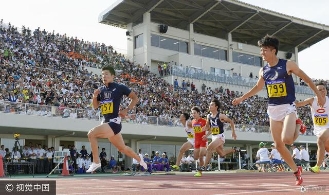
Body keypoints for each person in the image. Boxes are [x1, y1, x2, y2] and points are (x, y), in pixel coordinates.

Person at [232, 34, 325, 185]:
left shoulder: (288, 65)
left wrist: (318, 95)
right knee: (279, 146)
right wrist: (242, 98)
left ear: (273, 50)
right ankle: (296, 171)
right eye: (261, 50)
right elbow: (258, 87)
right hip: (273, 109)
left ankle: (297, 123)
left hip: (288, 106)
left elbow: (307, 79)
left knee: (287, 139)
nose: (262, 53)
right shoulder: (263, 70)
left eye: (264, 50)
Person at [86, 66, 147, 173]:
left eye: (106, 74)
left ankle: (96, 161)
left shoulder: (119, 87)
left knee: (91, 134)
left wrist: (126, 110)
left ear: (112, 76)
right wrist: (95, 97)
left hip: (114, 122)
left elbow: (135, 98)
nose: (104, 76)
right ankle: (139, 159)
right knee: (122, 148)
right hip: (106, 122)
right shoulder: (101, 90)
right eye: (102, 74)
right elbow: (95, 106)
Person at [295, 81, 329, 173]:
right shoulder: (312, 100)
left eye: (323, 89)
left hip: (327, 128)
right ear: (315, 91)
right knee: (326, 147)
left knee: (320, 140)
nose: (322, 91)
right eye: (319, 90)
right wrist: (293, 101)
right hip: (318, 129)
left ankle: (317, 166)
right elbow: (299, 104)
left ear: (326, 91)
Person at [202, 99, 237, 171]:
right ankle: (234, 150)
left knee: (209, 148)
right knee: (222, 153)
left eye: (212, 105)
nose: (210, 106)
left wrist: (233, 132)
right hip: (213, 137)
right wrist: (205, 133)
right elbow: (209, 127)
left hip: (220, 136)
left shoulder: (221, 116)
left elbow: (231, 121)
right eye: (209, 105)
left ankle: (204, 166)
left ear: (216, 107)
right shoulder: (208, 116)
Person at [190, 106, 207, 177]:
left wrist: (206, 134)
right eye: (192, 113)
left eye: (194, 113)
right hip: (196, 141)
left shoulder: (204, 121)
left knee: (200, 156)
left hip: (202, 140)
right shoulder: (193, 121)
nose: (193, 114)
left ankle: (200, 172)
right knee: (195, 157)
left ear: (198, 113)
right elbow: (193, 131)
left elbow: (209, 128)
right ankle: (209, 152)